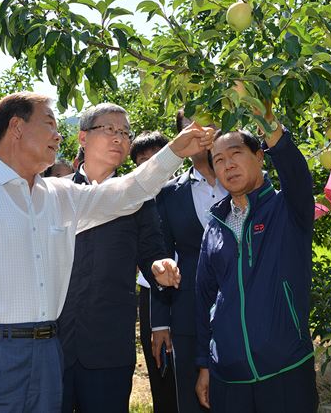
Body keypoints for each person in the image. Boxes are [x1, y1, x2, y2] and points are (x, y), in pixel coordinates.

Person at [0, 92, 214, 412]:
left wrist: (174, 152)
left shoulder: (59, 197)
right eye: (49, 124)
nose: (58, 135)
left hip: (47, 354)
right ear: (17, 128)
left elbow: (127, 193)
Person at [194, 121, 318, 412]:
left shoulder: (288, 208)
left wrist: (269, 123)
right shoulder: (215, 227)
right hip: (228, 375)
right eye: (219, 160)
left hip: (286, 367)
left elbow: (296, 174)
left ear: (260, 156)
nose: (228, 165)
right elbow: (203, 298)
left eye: (236, 154)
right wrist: (204, 364)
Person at [58, 108, 174, 413]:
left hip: (108, 342)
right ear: (83, 137)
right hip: (54, 341)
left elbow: (152, 250)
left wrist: (159, 267)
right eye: (109, 129)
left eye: (125, 132)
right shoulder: (55, 192)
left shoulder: (137, 198)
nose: (119, 138)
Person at [152, 111, 227, 413]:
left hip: (242, 307)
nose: (201, 131)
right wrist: (160, 321)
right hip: (188, 310)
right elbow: (161, 256)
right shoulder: (170, 194)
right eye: (191, 126)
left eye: (209, 122)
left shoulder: (242, 180)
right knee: (191, 395)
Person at [130, 131, 179, 413]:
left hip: (187, 291)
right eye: (142, 161)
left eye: (157, 159)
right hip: (151, 295)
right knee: (161, 368)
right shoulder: (133, 199)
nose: (150, 166)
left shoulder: (185, 192)